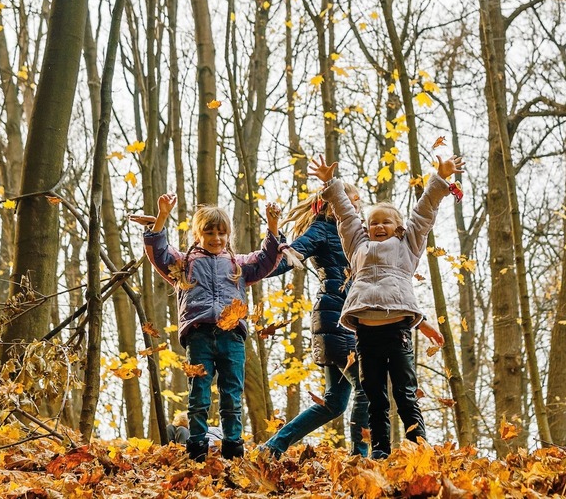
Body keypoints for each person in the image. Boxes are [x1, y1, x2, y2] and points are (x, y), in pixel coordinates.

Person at [310, 153, 462, 459]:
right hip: (366, 335)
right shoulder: (358, 247)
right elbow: (345, 215)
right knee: (374, 396)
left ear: (398, 227)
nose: (379, 226)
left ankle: (419, 449)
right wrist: (330, 183)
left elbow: (423, 213)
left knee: (405, 394)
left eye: (386, 222)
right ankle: (379, 451)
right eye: (374, 222)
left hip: (398, 332)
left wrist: (440, 179)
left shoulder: (408, 246)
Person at [141, 194, 282, 462]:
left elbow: (266, 259)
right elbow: (158, 252)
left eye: (221, 232)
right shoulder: (184, 264)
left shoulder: (238, 265)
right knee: (199, 395)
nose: (215, 238)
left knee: (231, 394)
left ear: (228, 235)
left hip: (232, 337)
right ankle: (196, 448)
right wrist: (162, 217)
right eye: (209, 232)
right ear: (197, 233)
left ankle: (233, 448)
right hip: (199, 335)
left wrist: (272, 226)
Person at [262, 188, 371, 458]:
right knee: (367, 387)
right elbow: (282, 263)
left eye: (357, 202)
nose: (356, 206)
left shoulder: (354, 235)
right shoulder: (322, 229)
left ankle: (273, 446)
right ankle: (361, 459)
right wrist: (274, 239)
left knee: (333, 403)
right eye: (350, 201)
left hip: (344, 319)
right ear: (330, 205)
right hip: (337, 319)